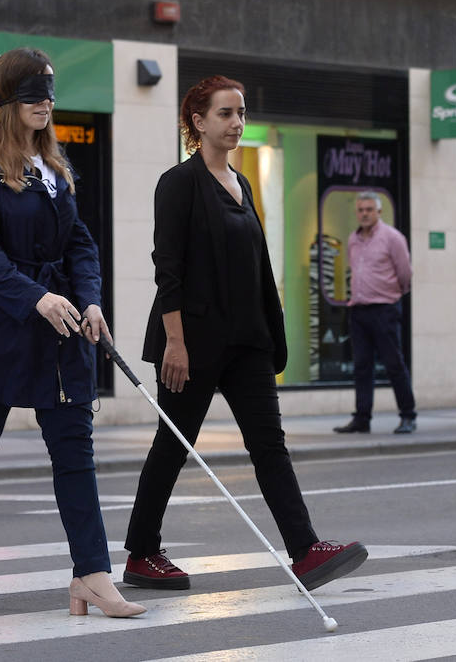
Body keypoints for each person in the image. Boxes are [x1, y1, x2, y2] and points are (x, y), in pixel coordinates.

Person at [0, 48, 143, 618]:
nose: (46, 103)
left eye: (51, 93)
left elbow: (80, 243)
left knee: (74, 449)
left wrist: (90, 300)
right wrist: (37, 297)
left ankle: (91, 574)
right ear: (10, 98)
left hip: (59, 329)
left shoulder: (54, 164)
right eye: (35, 94)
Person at [123, 75, 368, 593]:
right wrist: (175, 342)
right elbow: (167, 268)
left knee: (270, 446)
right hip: (193, 342)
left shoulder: (243, 183)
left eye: (241, 113)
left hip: (248, 341)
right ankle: (142, 553)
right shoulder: (179, 183)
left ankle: (304, 550)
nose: (237, 123)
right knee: (173, 444)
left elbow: (254, 263)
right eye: (225, 114)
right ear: (198, 121)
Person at [333, 192, 416, 434]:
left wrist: (392, 297)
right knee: (362, 366)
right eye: (361, 210)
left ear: (379, 212)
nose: (365, 213)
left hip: (384, 310)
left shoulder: (393, 238)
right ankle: (362, 418)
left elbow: (405, 274)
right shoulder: (353, 239)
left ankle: (408, 416)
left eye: (369, 209)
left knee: (394, 365)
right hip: (358, 311)